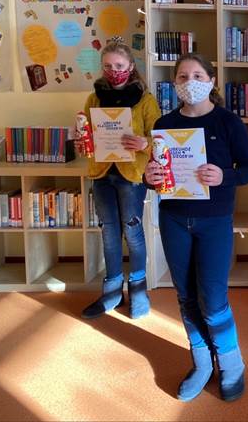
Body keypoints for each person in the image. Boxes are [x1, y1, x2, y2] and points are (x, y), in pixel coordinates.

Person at [144, 54, 248, 402]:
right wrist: (150, 178)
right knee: (185, 295)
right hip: (174, 218)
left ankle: (231, 362)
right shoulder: (165, 123)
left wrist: (225, 175)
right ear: (175, 83)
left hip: (214, 220)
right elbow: (156, 173)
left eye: (197, 75)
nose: (189, 81)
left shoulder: (228, 122)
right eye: (182, 75)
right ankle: (202, 362)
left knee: (213, 297)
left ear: (210, 80)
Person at [80, 38, 160, 320]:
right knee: (109, 234)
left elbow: (160, 140)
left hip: (131, 176)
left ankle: (139, 291)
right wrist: (83, 141)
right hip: (101, 174)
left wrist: (144, 144)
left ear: (130, 66)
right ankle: (112, 292)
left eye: (119, 65)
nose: (114, 70)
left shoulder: (146, 100)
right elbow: (86, 132)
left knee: (133, 233)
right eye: (108, 66)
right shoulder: (94, 98)